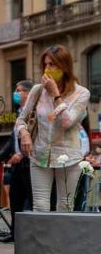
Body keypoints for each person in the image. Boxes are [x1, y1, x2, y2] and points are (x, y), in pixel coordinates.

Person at [17, 45, 90, 212]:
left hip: (69, 157)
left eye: (52, 65)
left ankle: (63, 239)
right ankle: (44, 239)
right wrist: (24, 134)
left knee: (65, 206)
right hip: (40, 155)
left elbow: (67, 121)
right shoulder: (37, 90)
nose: (47, 69)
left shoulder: (81, 93)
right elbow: (21, 119)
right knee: (40, 206)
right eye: (45, 65)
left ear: (64, 67)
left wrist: (55, 95)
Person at [0, 80, 35, 243]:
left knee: (32, 200)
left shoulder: (35, 111)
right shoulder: (20, 112)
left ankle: (31, 235)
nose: (16, 94)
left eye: (19, 90)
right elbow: (12, 140)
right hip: (17, 166)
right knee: (15, 199)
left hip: (31, 163)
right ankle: (15, 233)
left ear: (29, 93)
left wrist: (24, 155)